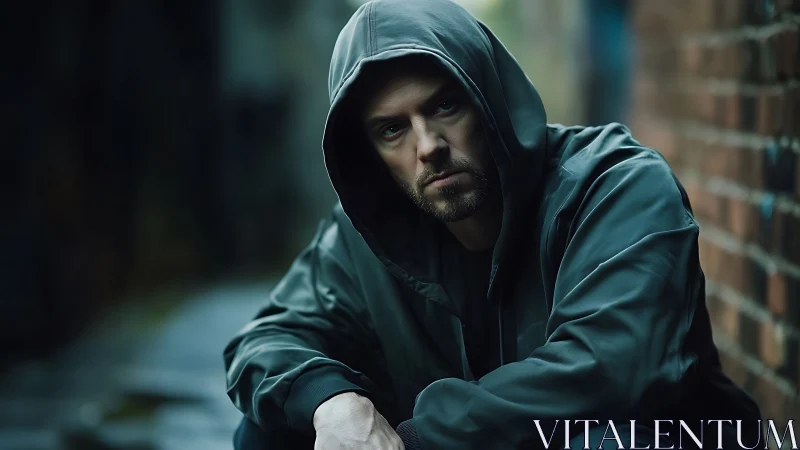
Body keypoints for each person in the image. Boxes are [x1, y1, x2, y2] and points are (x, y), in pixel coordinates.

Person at [223, 0, 763, 449]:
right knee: (277, 425)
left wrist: (412, 436)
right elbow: (267, 342)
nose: (428, 146)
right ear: (368, 153)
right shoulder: (361, 239)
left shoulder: (615, 185)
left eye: (445, 107)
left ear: (488, 96)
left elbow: (616, 366)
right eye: (392, 130)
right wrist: (333, 403)